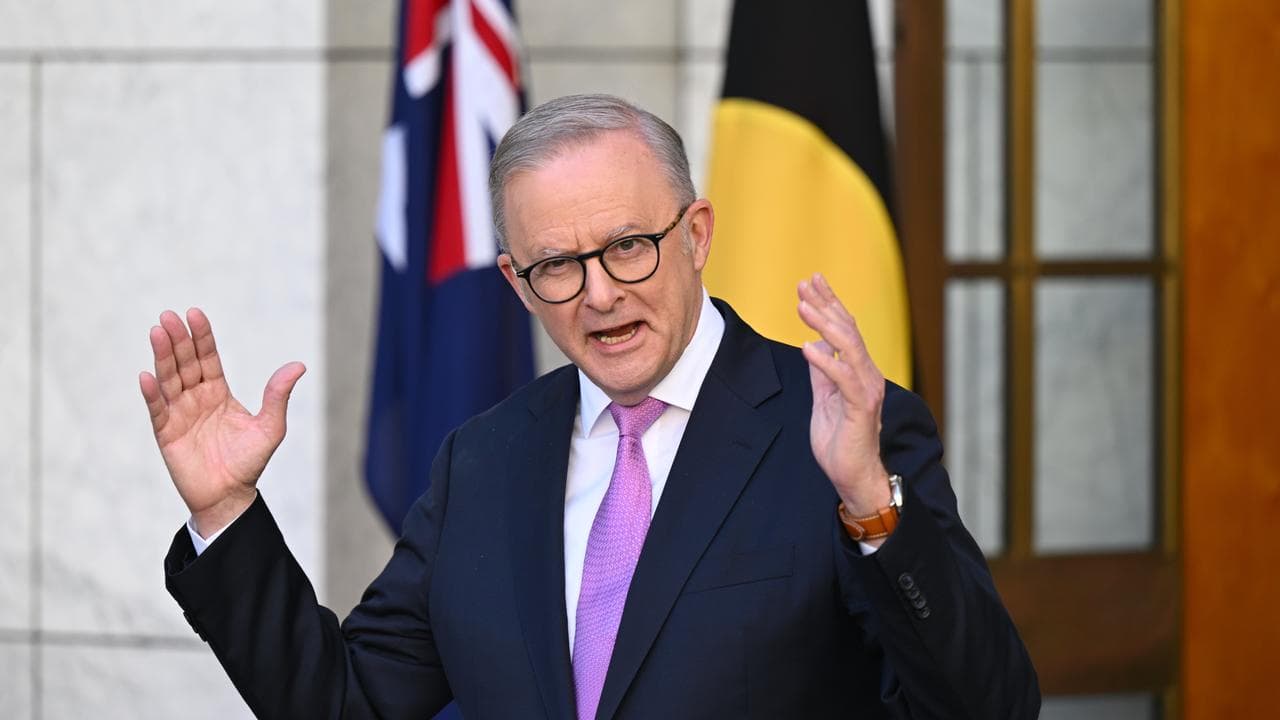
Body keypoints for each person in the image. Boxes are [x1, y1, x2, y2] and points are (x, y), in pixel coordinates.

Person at [141, 94, 1039, 719]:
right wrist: (226, 512)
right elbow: (349, 704)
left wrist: (871, 509)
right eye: (558, 266)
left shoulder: (837, 430)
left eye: (629, 246)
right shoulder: (483, 462)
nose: (600, 294)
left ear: (696, 235)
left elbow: (986, 706)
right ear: (517, 285)